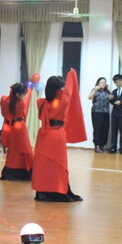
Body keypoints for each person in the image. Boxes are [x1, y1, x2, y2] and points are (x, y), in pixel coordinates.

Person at [32, 71, 85, 202]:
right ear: (57, 90)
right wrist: (71, 75)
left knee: (43, 165)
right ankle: (58, 190)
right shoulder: (63, 101)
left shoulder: (40, 102)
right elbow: (69, 91)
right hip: (57, 135)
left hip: (44, 136)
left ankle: (43, 191)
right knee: (59, 165)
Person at [0, 82, 33, 181]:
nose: (25, 95)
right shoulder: (22, 103)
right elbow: (27, 98)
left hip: (10, 127)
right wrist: (30, 88)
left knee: (13, 150)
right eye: (23, 93)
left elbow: (4, 110)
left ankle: (10, 170)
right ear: (18, 94)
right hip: (20, 128)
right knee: (25, 149)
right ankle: (26, 170)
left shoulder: (4, 100)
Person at [88, 77, 110, 153]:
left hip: (106, 112)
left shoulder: (107, 91)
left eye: (104, 82)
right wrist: (95, 90)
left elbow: (112, 98)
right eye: (101, 82)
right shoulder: (95, 90)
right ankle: (97, 146)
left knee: (105, 129)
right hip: (97, 112)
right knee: (97, 129)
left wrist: (110, 91)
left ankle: (103, 145)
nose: (103, 84)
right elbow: (89, 97)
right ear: (98, 83)